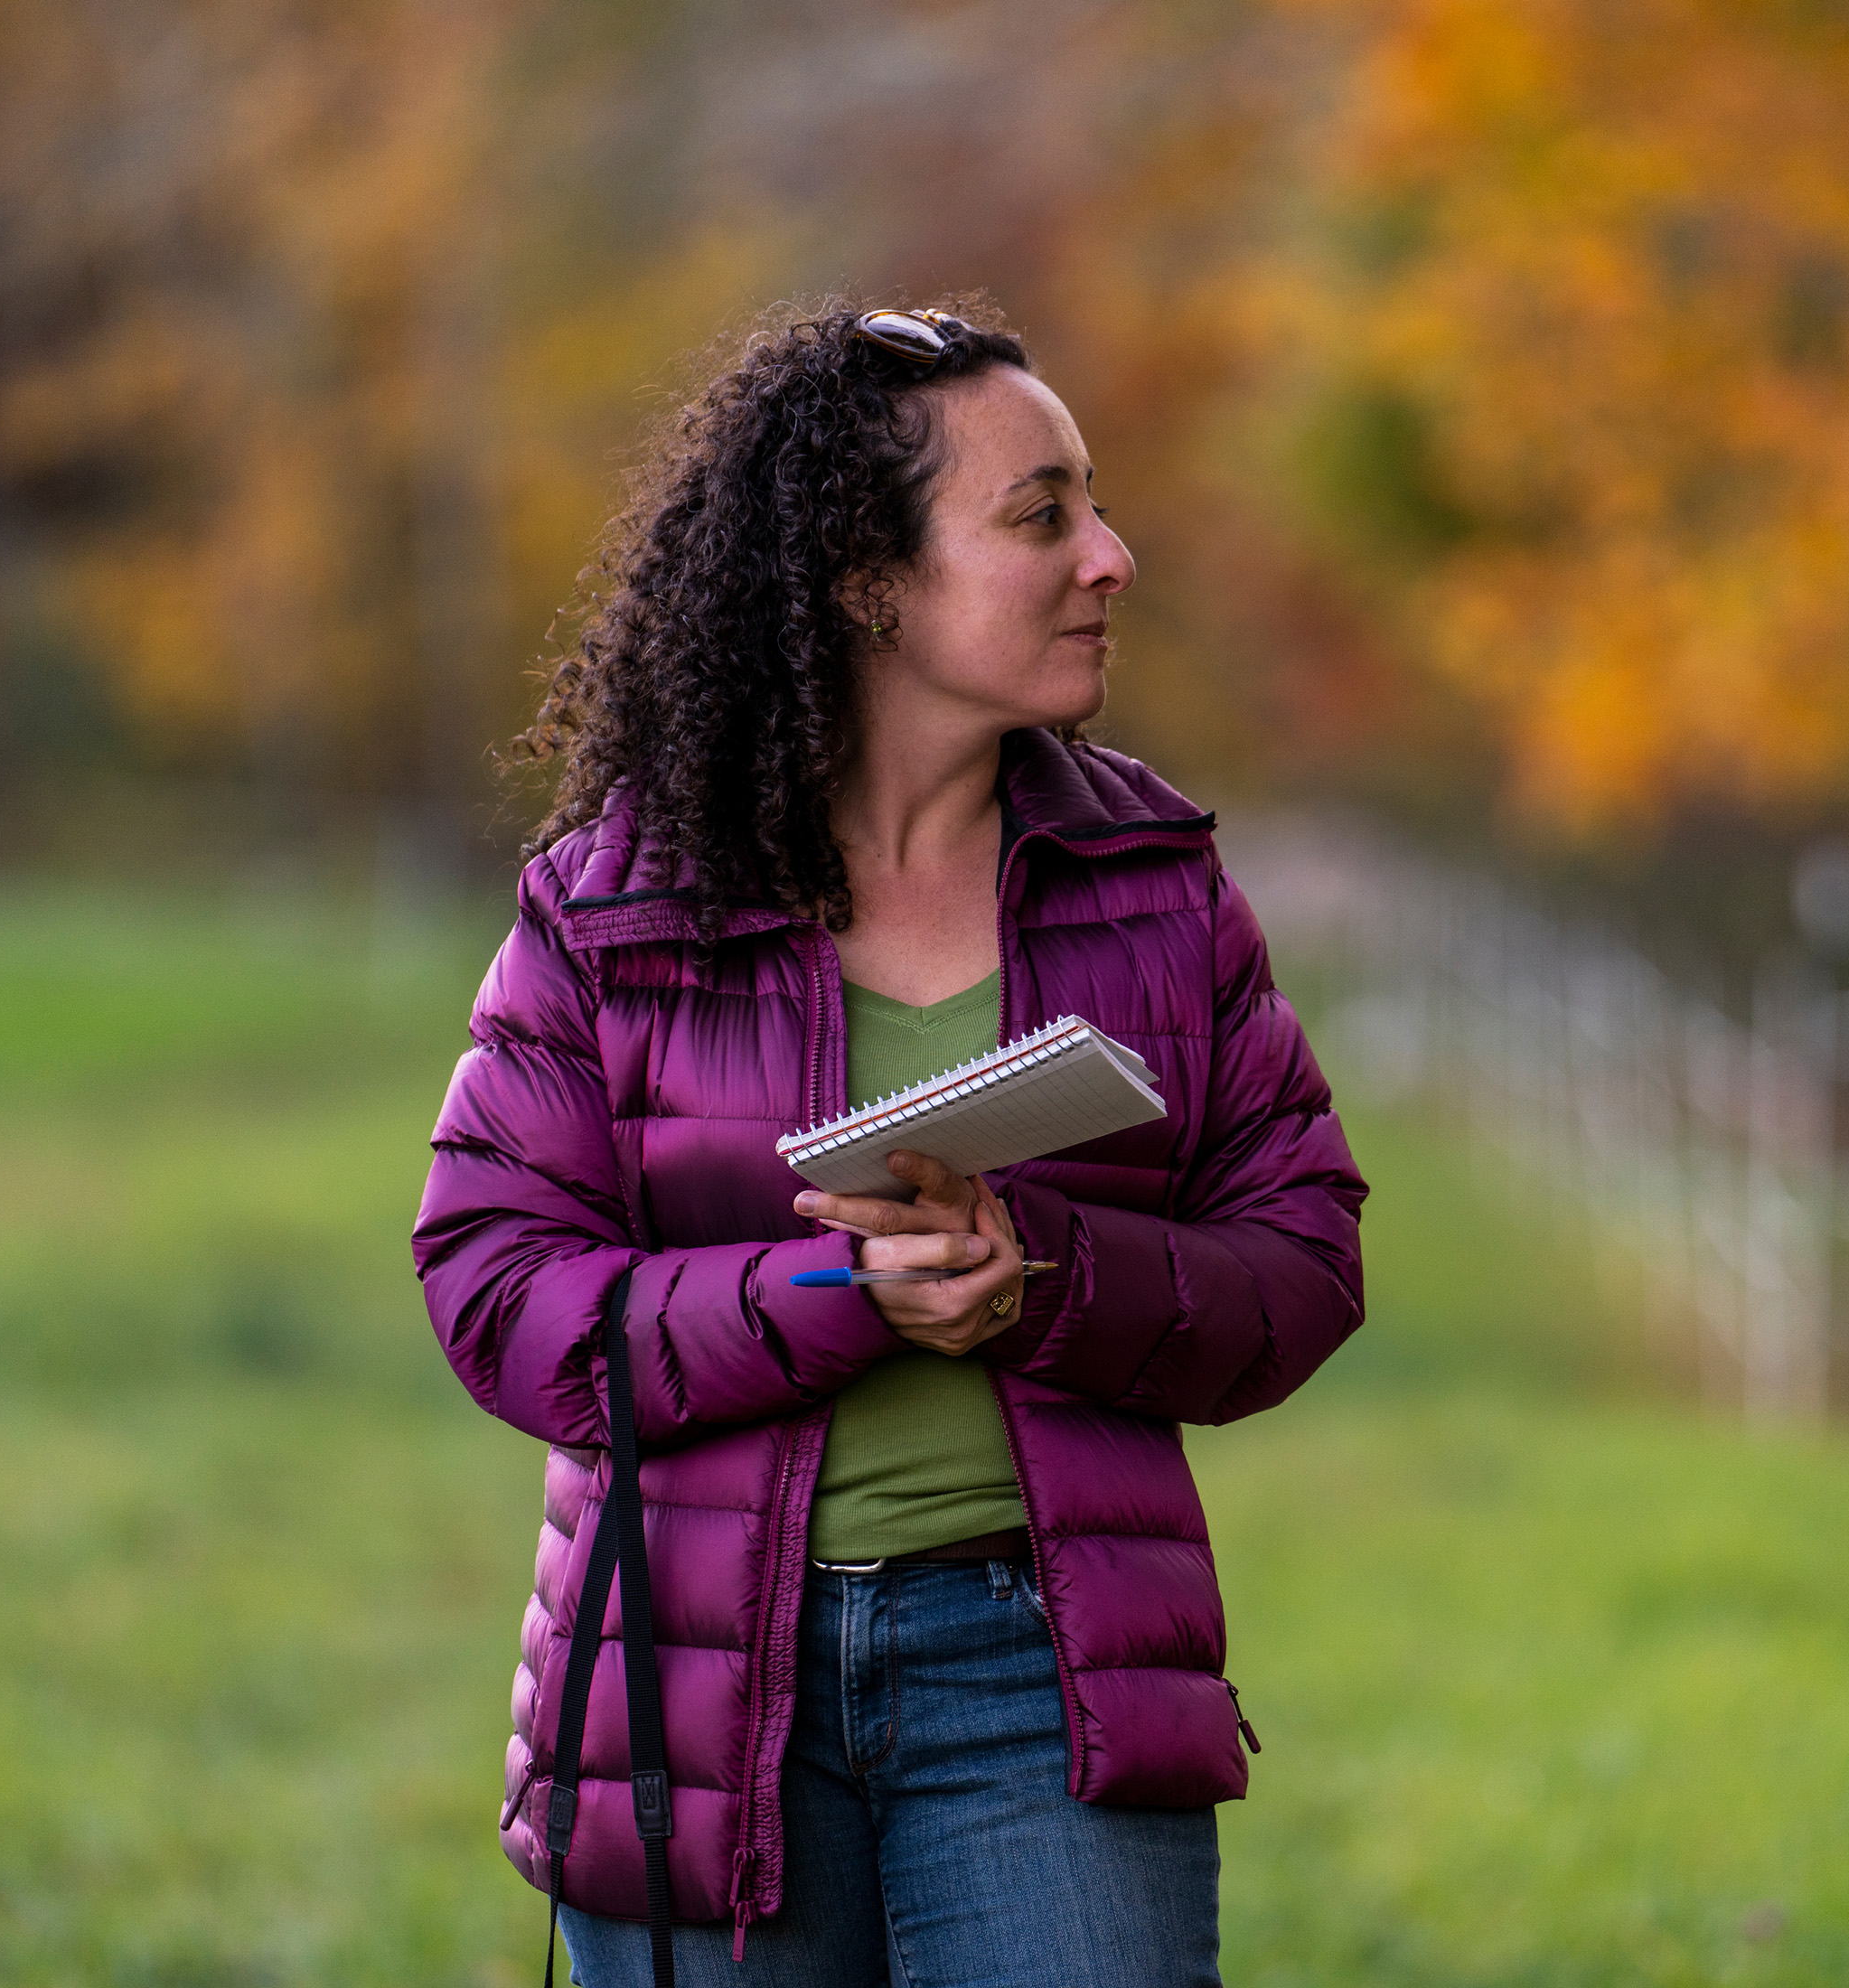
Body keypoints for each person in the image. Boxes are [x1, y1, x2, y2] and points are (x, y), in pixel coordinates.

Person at [410, 295, 1368, 1987]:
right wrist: (836, 1290)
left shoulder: (1154, 882)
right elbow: (499, 1295)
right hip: (699, 1696)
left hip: (1047, 1677)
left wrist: (1039, 1281)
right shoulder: (612, 907)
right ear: (867, 580)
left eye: (1096, 504)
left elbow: (1301, 1260)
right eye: (1041, 515)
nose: (1111, 557)